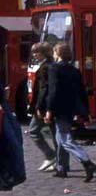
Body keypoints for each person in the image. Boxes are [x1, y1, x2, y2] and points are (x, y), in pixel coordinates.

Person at [43, 43, 96, 182]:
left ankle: (87, 162)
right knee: (60, 138)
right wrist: (86, 113)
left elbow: (53, 91)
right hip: (71, 108)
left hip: (59, 108)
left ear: (58, 54)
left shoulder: (54, 68)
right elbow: (82, 93)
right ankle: (61, 168)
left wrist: (49, 109)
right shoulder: (75, 71)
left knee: (65, 139)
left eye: (54, 52)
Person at [27, 42, 57, 172]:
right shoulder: (47, 65)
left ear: (44, 53)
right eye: (33, 53)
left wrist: (39, 107)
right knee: (54, 133)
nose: (34, 55)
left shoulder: (46, 67)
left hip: (43, 106)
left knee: (33, 131)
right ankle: (59, 161)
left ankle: (51, 156)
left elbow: (43, 89)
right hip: (45, 105)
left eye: (37, 53)